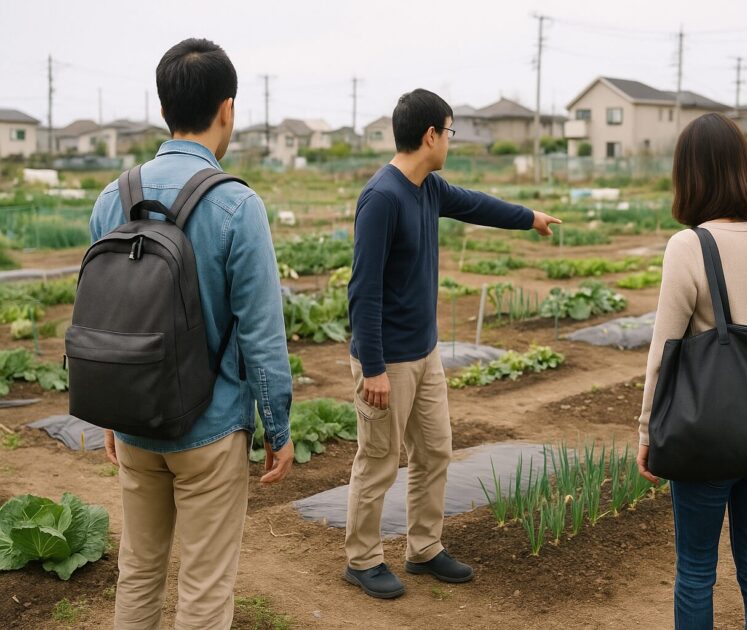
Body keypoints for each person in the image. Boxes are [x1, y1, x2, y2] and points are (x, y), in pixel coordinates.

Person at [90, 38, 294, 629]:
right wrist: (278, 429)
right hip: (209, 429)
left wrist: (113, 410)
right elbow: (262, 334)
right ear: (227, 108)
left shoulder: (113, 197)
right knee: (204, 587)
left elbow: (108, 316)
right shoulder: (236, 204)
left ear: (163, 110)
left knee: (140, 571)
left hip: (133, 423)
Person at [343, 88, 561, 599]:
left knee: (435, 451)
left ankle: (424, 548)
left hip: (425, 352)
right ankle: (362, 559)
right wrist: (372, 367)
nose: (450, 141)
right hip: (387, 362)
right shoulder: (382, 197)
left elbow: (477, 205)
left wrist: (529, 217)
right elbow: (362, 289)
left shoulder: (429, 188)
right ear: (430, 136)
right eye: (450, 131)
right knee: (378, 461)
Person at [635, 113, 747, 630]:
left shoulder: (689, 246)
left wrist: (646, 432)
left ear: (691, 174)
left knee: (698, 571)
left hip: (706, 437)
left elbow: (664, 349)